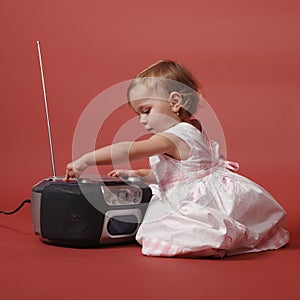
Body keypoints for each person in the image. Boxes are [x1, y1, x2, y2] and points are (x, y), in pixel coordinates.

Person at [64, 60, 289, 257]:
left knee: (165, 227)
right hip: (210, 192)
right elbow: (179, 176)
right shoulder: (193, 128)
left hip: (195, 200)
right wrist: (139, 174)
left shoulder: (172, 137)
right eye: (138, 114)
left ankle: (210, 241)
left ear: (174, 102)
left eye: (146, 110)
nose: (142, 120)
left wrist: (86, 159)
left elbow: (130, 149)